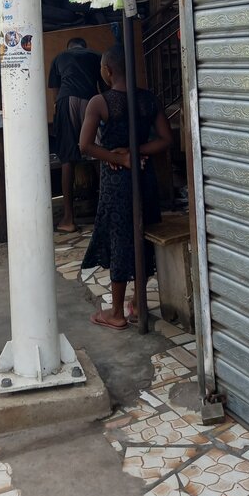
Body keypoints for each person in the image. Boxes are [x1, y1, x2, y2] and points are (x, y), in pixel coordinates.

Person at [79, 43, 171, 330]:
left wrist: (119, 157)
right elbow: (167, 139)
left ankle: (117, 312)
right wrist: (136, 152)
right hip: (144, 177)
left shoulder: (99, 102)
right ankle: (139, 303)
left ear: (107, 71)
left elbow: (85, 145)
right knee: (142, 234)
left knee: (120, 239)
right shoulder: (148, 99)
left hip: (116, 181)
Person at [48, 36, 102, 233]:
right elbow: (105, 85)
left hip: (66, 100)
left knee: (67, 158)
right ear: (84, 46)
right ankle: (105, 211)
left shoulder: (59, 57)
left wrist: (58, 113)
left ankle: (68, 219)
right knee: (99, 154)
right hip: (91, 101)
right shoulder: (96, 56)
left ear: (68, 47)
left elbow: (55, 92)